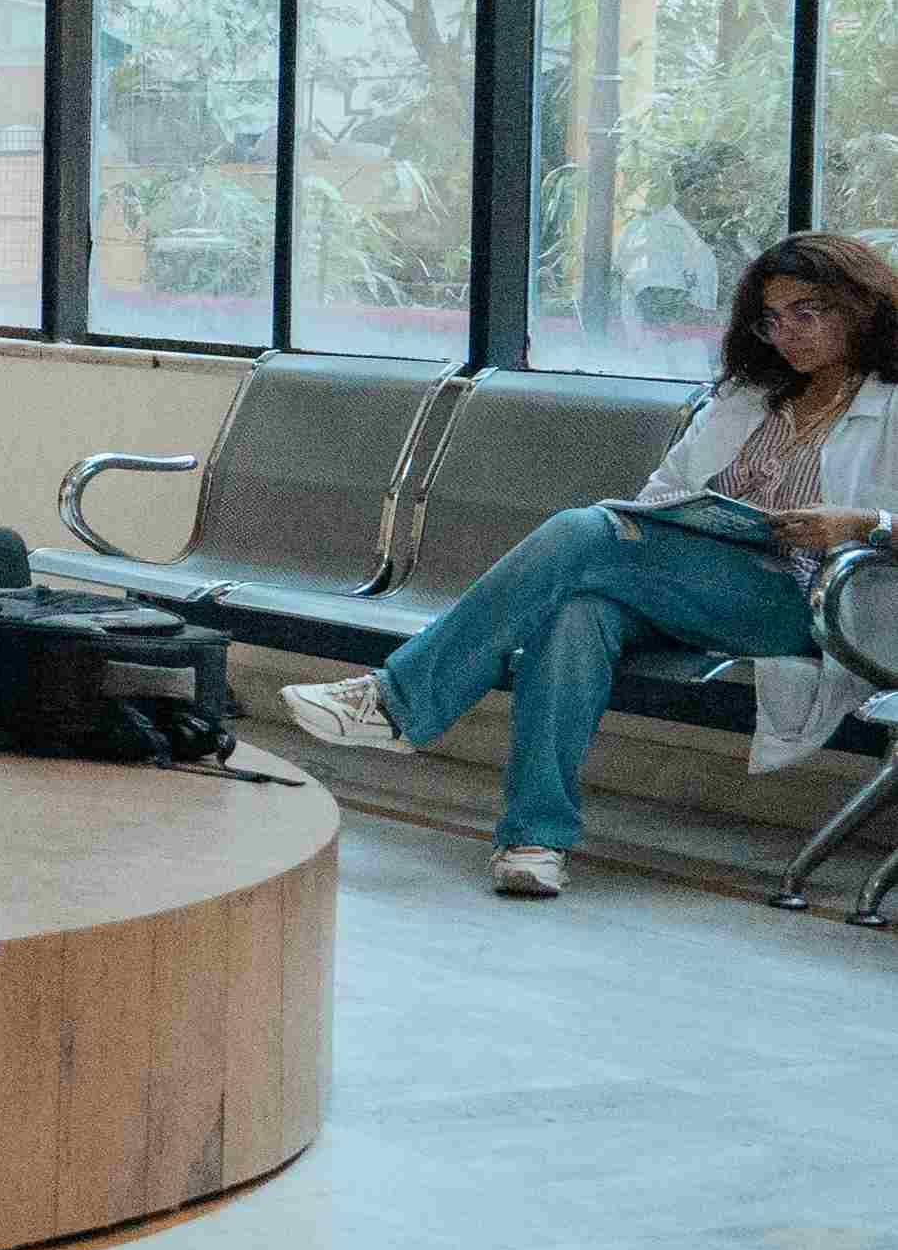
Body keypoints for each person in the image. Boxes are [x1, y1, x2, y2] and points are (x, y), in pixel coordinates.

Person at [283, 233, 898, 893]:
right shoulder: (750, 397)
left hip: (813, 600)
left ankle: (398, 701)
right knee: (577, 614)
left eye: (809, 311)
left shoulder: (890, 402)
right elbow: (661, 493)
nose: (788, 332)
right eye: (773, 317)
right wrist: (690, 518)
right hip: (694, 579)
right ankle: (534, 839)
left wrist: (862, 523)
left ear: (859, 306)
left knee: (584, 532)